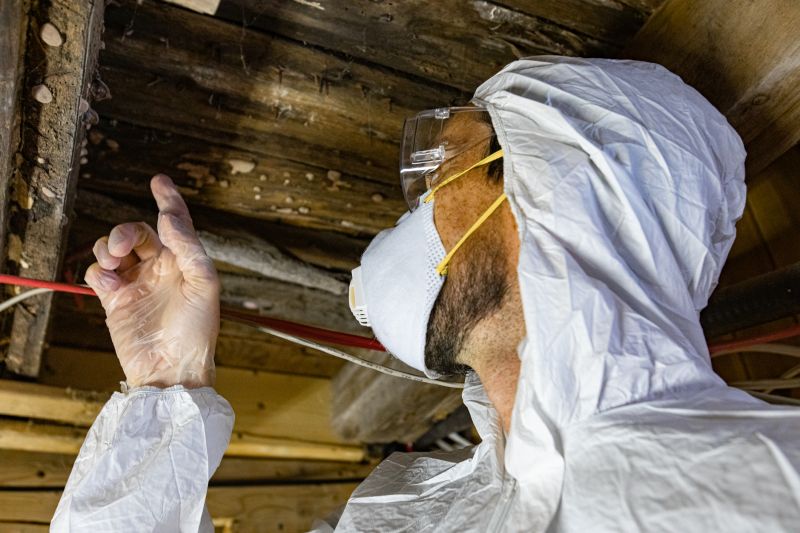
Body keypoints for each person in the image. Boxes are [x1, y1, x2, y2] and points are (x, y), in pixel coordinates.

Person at [51, 57, 800, 532]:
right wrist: (164, 384)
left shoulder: (773, 478)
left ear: (551, 190)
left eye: (442, 172)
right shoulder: (422, 509)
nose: (417, 207)